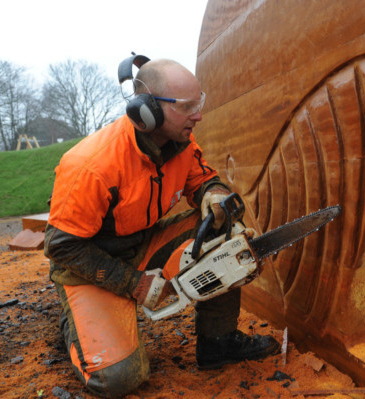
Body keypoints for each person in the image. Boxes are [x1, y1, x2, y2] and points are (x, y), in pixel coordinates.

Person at [44, 57, 279, 398]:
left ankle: (218, 341)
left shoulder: (181, 142)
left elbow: (204, 179)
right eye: (187, 107)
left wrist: (213, 197)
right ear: (147, 111)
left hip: (141, 242)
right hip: (87, 264)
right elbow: (62, 247)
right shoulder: (92, 166)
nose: (198, 115)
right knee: (120, 378)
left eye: (199, 103)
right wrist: (133, 284)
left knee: (225, 233)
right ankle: (74, 321)